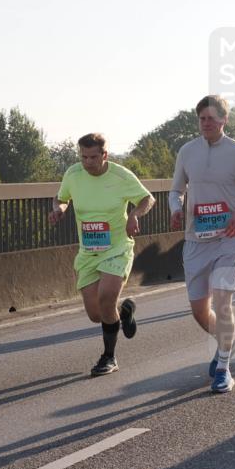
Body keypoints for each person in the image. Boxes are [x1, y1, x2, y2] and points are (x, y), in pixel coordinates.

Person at [169, 95, 235, 393]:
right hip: (196, 239)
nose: (206, 123)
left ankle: (224, 367)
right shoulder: (187, 151)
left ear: (224, 120)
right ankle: (228, 341)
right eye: (202, 119)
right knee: (200, 310)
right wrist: (175, 208)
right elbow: (176, 190)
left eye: (212, 118)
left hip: (229, 238)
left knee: (223, 303)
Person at [49, 133, 155, 375]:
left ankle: (109, 357)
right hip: (88, 251)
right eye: (83, 157)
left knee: (107, 298)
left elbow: (147, 199)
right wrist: (59, 209)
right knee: (96, 314)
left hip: (117, 248)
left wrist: (134, 215)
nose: (88, 162)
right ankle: (124, 311)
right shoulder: (73, 173)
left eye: (93, 157)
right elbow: (61, 197)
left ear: (104, 155)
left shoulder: (120, 176)